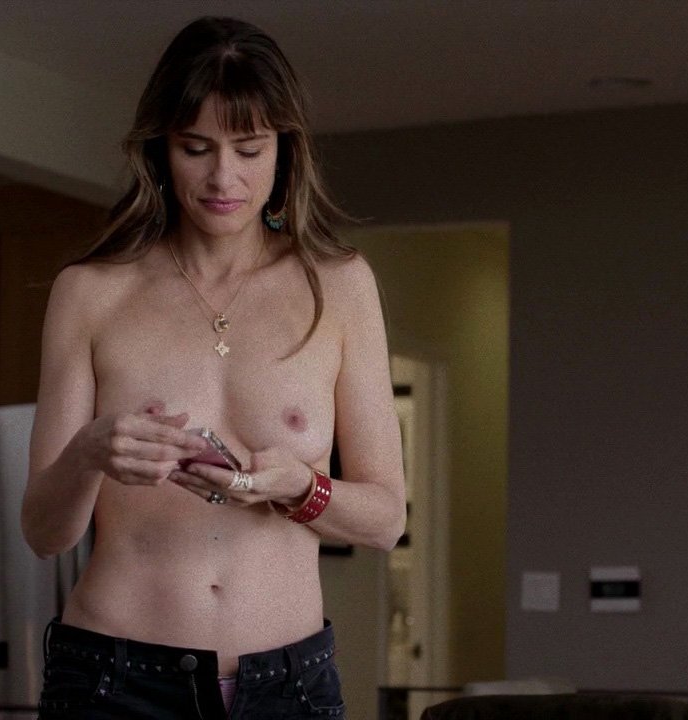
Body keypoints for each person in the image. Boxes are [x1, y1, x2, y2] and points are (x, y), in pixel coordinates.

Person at [22, 16, 405, 719]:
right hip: (114, 679)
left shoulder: (341, 285)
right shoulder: (91, 292)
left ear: (284, 152)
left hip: (289, 687)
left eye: (249, 149)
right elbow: (45, 534)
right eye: (195, 148)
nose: (223, 177)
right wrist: (90, 452)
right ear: (161, 150)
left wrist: (302, 489)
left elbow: (386, 519)